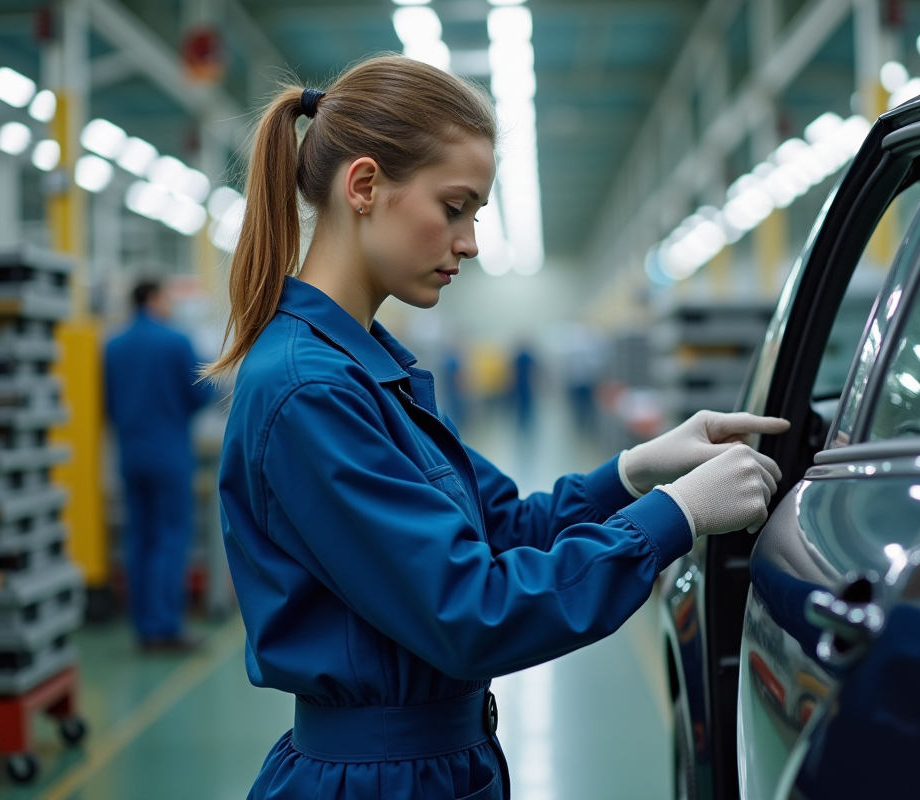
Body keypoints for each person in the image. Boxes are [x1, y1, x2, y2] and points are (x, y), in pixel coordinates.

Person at [210, 56, 790, 800]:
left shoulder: (372, 371)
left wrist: (634, 473)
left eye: (475, 215)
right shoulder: (309, 391)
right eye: (454, 207)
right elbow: (472, 610)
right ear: (363, 187)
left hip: (437, 766)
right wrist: (673, 518)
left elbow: (503, 527)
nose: (471, 242)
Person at [104, 279, 213, 650]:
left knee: (139, 538)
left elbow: (106, 403)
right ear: (154, 298)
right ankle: (165, 628)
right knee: (170, 538)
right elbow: (201, 392)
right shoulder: (175, 340)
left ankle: (142, 625)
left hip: (130, 453)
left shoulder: (112, 346)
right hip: (169, 453)